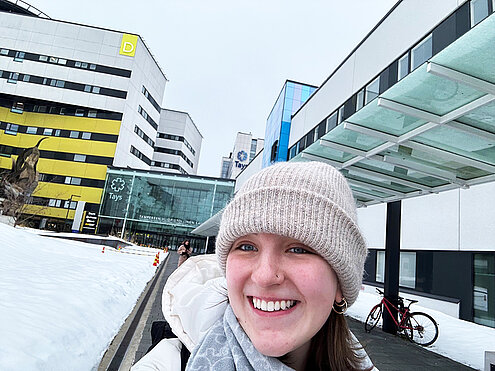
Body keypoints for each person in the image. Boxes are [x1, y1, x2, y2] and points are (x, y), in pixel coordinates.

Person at [132, 161, 374, 371]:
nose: (265, 276)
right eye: (247, 247)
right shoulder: (169, 362)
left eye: (298, 249)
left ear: (340, 284)